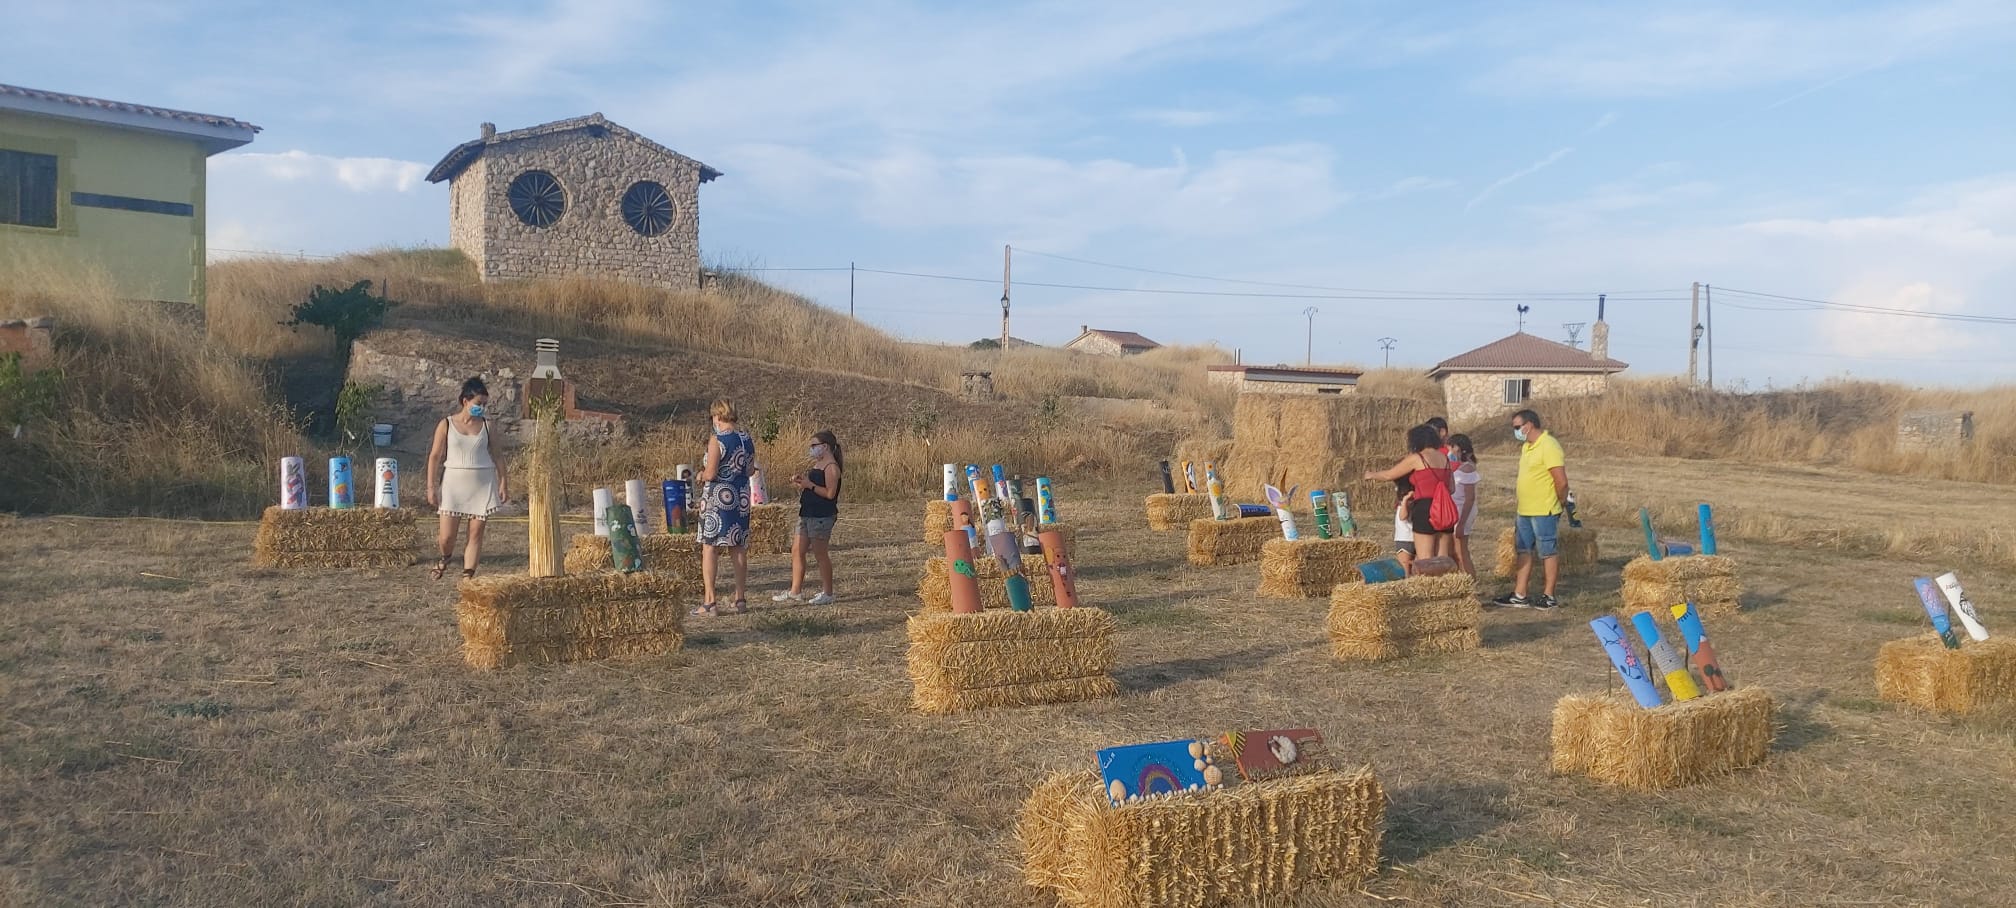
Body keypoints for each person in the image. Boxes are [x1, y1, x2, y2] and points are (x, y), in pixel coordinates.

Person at [426, 377, 509, 580]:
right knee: (446, 537)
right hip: (453, 484)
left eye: (484, 404)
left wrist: (504, 481)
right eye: (478, 404)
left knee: (475, 533)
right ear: (465, 401)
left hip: (482, 483)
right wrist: (431, 486)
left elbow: (498, 455)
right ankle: (445, 557)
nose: (482, 408)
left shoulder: (488, 426)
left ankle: (467, 576)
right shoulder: (446, 424)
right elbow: (435, 456)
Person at [1494, 409, 1569, 609]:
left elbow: (1561, 481)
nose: (1516, 431)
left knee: (1547, 551)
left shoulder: (1549, 445)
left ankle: (1549, 596)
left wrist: (1559, 503)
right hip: (1524, 510)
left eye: (1517, 427)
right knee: (1523, 550)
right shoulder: (1527, 447)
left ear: (1529, 425)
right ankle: (1520, 594)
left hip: (1544, 509)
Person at [692, 400, 754, 617]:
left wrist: (700, 475)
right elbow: (750, 470)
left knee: (710, 547)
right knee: (737, 546)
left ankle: (710, 601)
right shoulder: (746, 439)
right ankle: (740, 598)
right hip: (741, 498)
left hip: (718, 499)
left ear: (717, 416)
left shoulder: (717, 440)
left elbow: (710, 473)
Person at [773, 430, 843, 606]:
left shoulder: (831, 467)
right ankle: (795, 591)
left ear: (825, 447)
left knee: (820, 554)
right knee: (797, 550)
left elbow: (830, 493)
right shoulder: (818, 465)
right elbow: (813, 486)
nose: (811, 449)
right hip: (807, 513)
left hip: (821, 515)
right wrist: (802, 482)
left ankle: (828, 592)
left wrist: (809, 485)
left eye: (814, 446)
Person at [1365, 424, 1455, 560]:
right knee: (1442, 558)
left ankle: (1428, 582)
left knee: (1425, 559)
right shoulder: (1446, 459)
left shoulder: (1418, 458)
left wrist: (1371, 475)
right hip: (1445, 508)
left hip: (1425, 508)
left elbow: (1389, 475)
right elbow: (1452, 488)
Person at [1447, 433, 1482, 577]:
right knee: (1454, 551)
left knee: (1461, 551)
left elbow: (1470, 498)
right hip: (1456, 510)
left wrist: (1461, 523)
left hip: (1462, 512)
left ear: (1458, 448)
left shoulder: (1467, 468)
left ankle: (1470, 583)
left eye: (1451, 448)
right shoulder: (1461, 466)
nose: (1449, 452)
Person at [1391, 477, 1416, 574]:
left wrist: (1405, 501)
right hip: (1415, 538)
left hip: (1404, 539)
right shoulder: (1414, 503)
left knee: (1405, 570)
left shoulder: (1405, 504)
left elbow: (1403, 517)